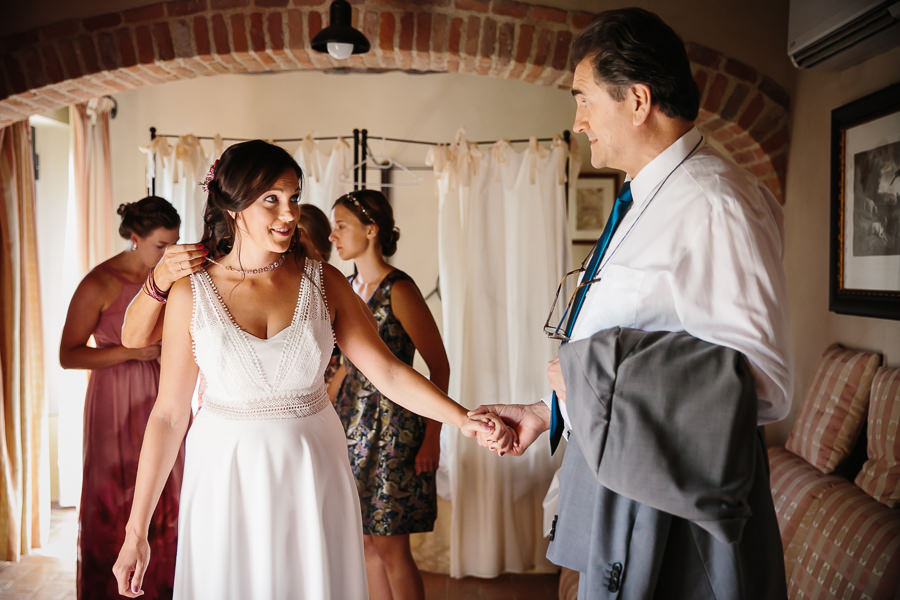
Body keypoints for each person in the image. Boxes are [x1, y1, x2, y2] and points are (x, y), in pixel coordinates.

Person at [473, 8, 791, 599]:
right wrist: (549, 409)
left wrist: (585, 375)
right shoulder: (647, 198)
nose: (578, 121)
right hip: (622, 479)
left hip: (670, 504)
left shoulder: (713, 203)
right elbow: (632, 338)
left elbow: (761, 380)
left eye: (585, 99)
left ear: (638, 100)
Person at [111, 140, 507, 599]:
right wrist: (135, 531)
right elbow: (168, 415)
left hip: (312, 470)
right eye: (271, 200)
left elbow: (390, 372)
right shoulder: (190, 291)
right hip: (226, 475)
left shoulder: (325, 282)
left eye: (294, 197)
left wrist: (463, 420)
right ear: (235, 207)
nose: (288, 214)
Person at [59, 196, 183, 599]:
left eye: (174, 244)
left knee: (166, 493)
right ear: (134, 238)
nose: (168, 253)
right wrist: (131, 351)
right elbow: (69, 354)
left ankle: (164, 588)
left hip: (161, 395)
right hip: (113, 402)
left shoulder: (171, 283)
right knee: (113, 497)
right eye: (160, 245)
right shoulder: (100, 282)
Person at [329, 189, 446, 600]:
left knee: (391, 545)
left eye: (341, 226)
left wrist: (433, 436)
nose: (333, 236)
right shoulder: (341, 286)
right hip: (349, 430)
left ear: (371, 230)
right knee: (363, 540)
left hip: (396, 433)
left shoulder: (400, 289)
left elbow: (439, 366)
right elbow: (342, 366)